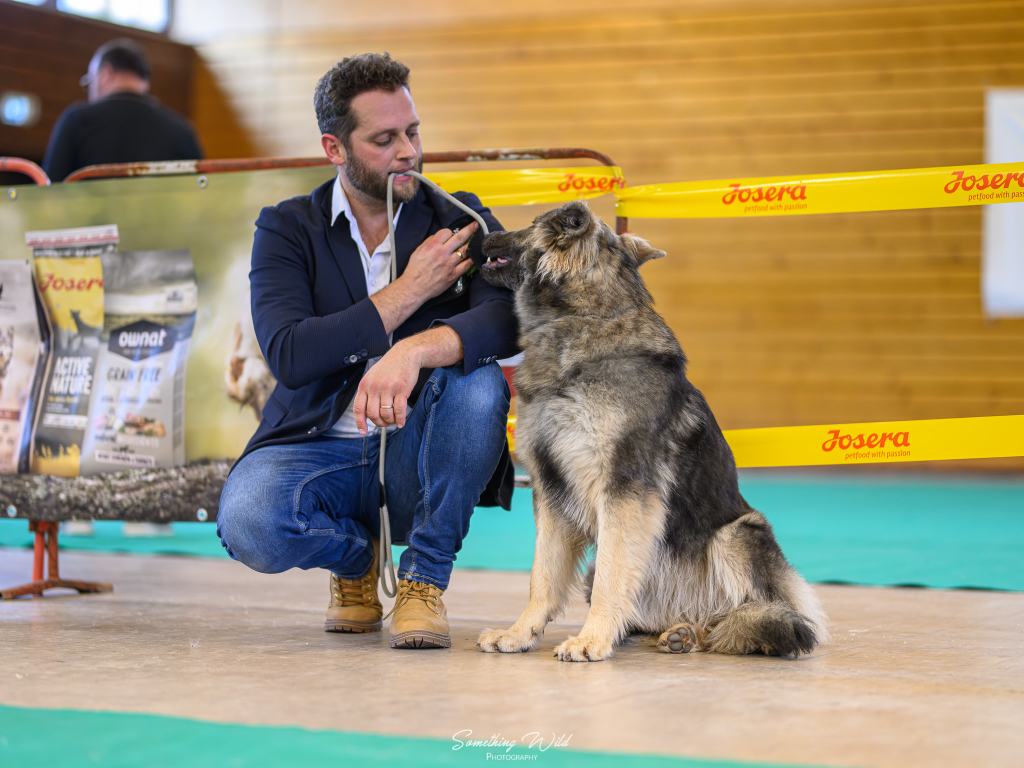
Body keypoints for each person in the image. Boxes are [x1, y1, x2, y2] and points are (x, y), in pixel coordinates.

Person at [216, 53, 518, 650]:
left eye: (413, 132)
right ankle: (357, 558)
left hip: (417, 453)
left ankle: (423, 581)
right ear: (334, 148)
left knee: (478, 382)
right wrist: (410, 291)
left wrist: (414, 351)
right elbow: (291, 354)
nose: (408, 152)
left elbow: (511, 319)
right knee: (248, 520)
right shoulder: (286, 227)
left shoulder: (458, 215)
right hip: (315, 450)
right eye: (384, 140)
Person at [42, 38, 203, 183]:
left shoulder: (77, 120)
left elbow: (49, 189)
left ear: (106, 73)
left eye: (89, 81)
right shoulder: (182, 130)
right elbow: (200, 190)